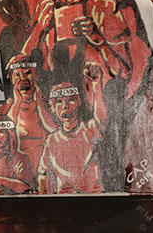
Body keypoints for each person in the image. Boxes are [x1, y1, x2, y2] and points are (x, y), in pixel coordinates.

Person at [37, 63, 107, 194]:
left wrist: (96, 86)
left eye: (71, 100)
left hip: (91, 199)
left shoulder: (89, 130)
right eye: (59, 101)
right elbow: (43, 175)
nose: (65, 106)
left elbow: (101, 119)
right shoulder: (51, 140)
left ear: (79, 103)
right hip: (62, 202)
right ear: (53, 107)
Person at [0, 54, 54, 181]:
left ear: (36, 75)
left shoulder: (47, 102)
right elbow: (6, 133)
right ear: (11, 78)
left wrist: (39, 102)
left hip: (44, 166)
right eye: (17, 74)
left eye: (28, 73)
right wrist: (17, 102)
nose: (23, 78)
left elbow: (54, 129)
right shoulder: (6, 107)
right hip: (19, 169)